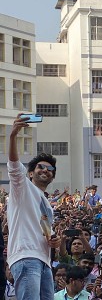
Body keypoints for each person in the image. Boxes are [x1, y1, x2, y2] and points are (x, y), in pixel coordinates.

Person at [7, 114, 61, 300]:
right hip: (26, 256)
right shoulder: (22, 187)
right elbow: (14, 167)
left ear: (53, 177)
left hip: (44, 261)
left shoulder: (47, 203)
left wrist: (54, 241)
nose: (45, 170)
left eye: (50, 169)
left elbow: (47, 233)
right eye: (40, 167)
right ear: (30, 173)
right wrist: (13, 135)